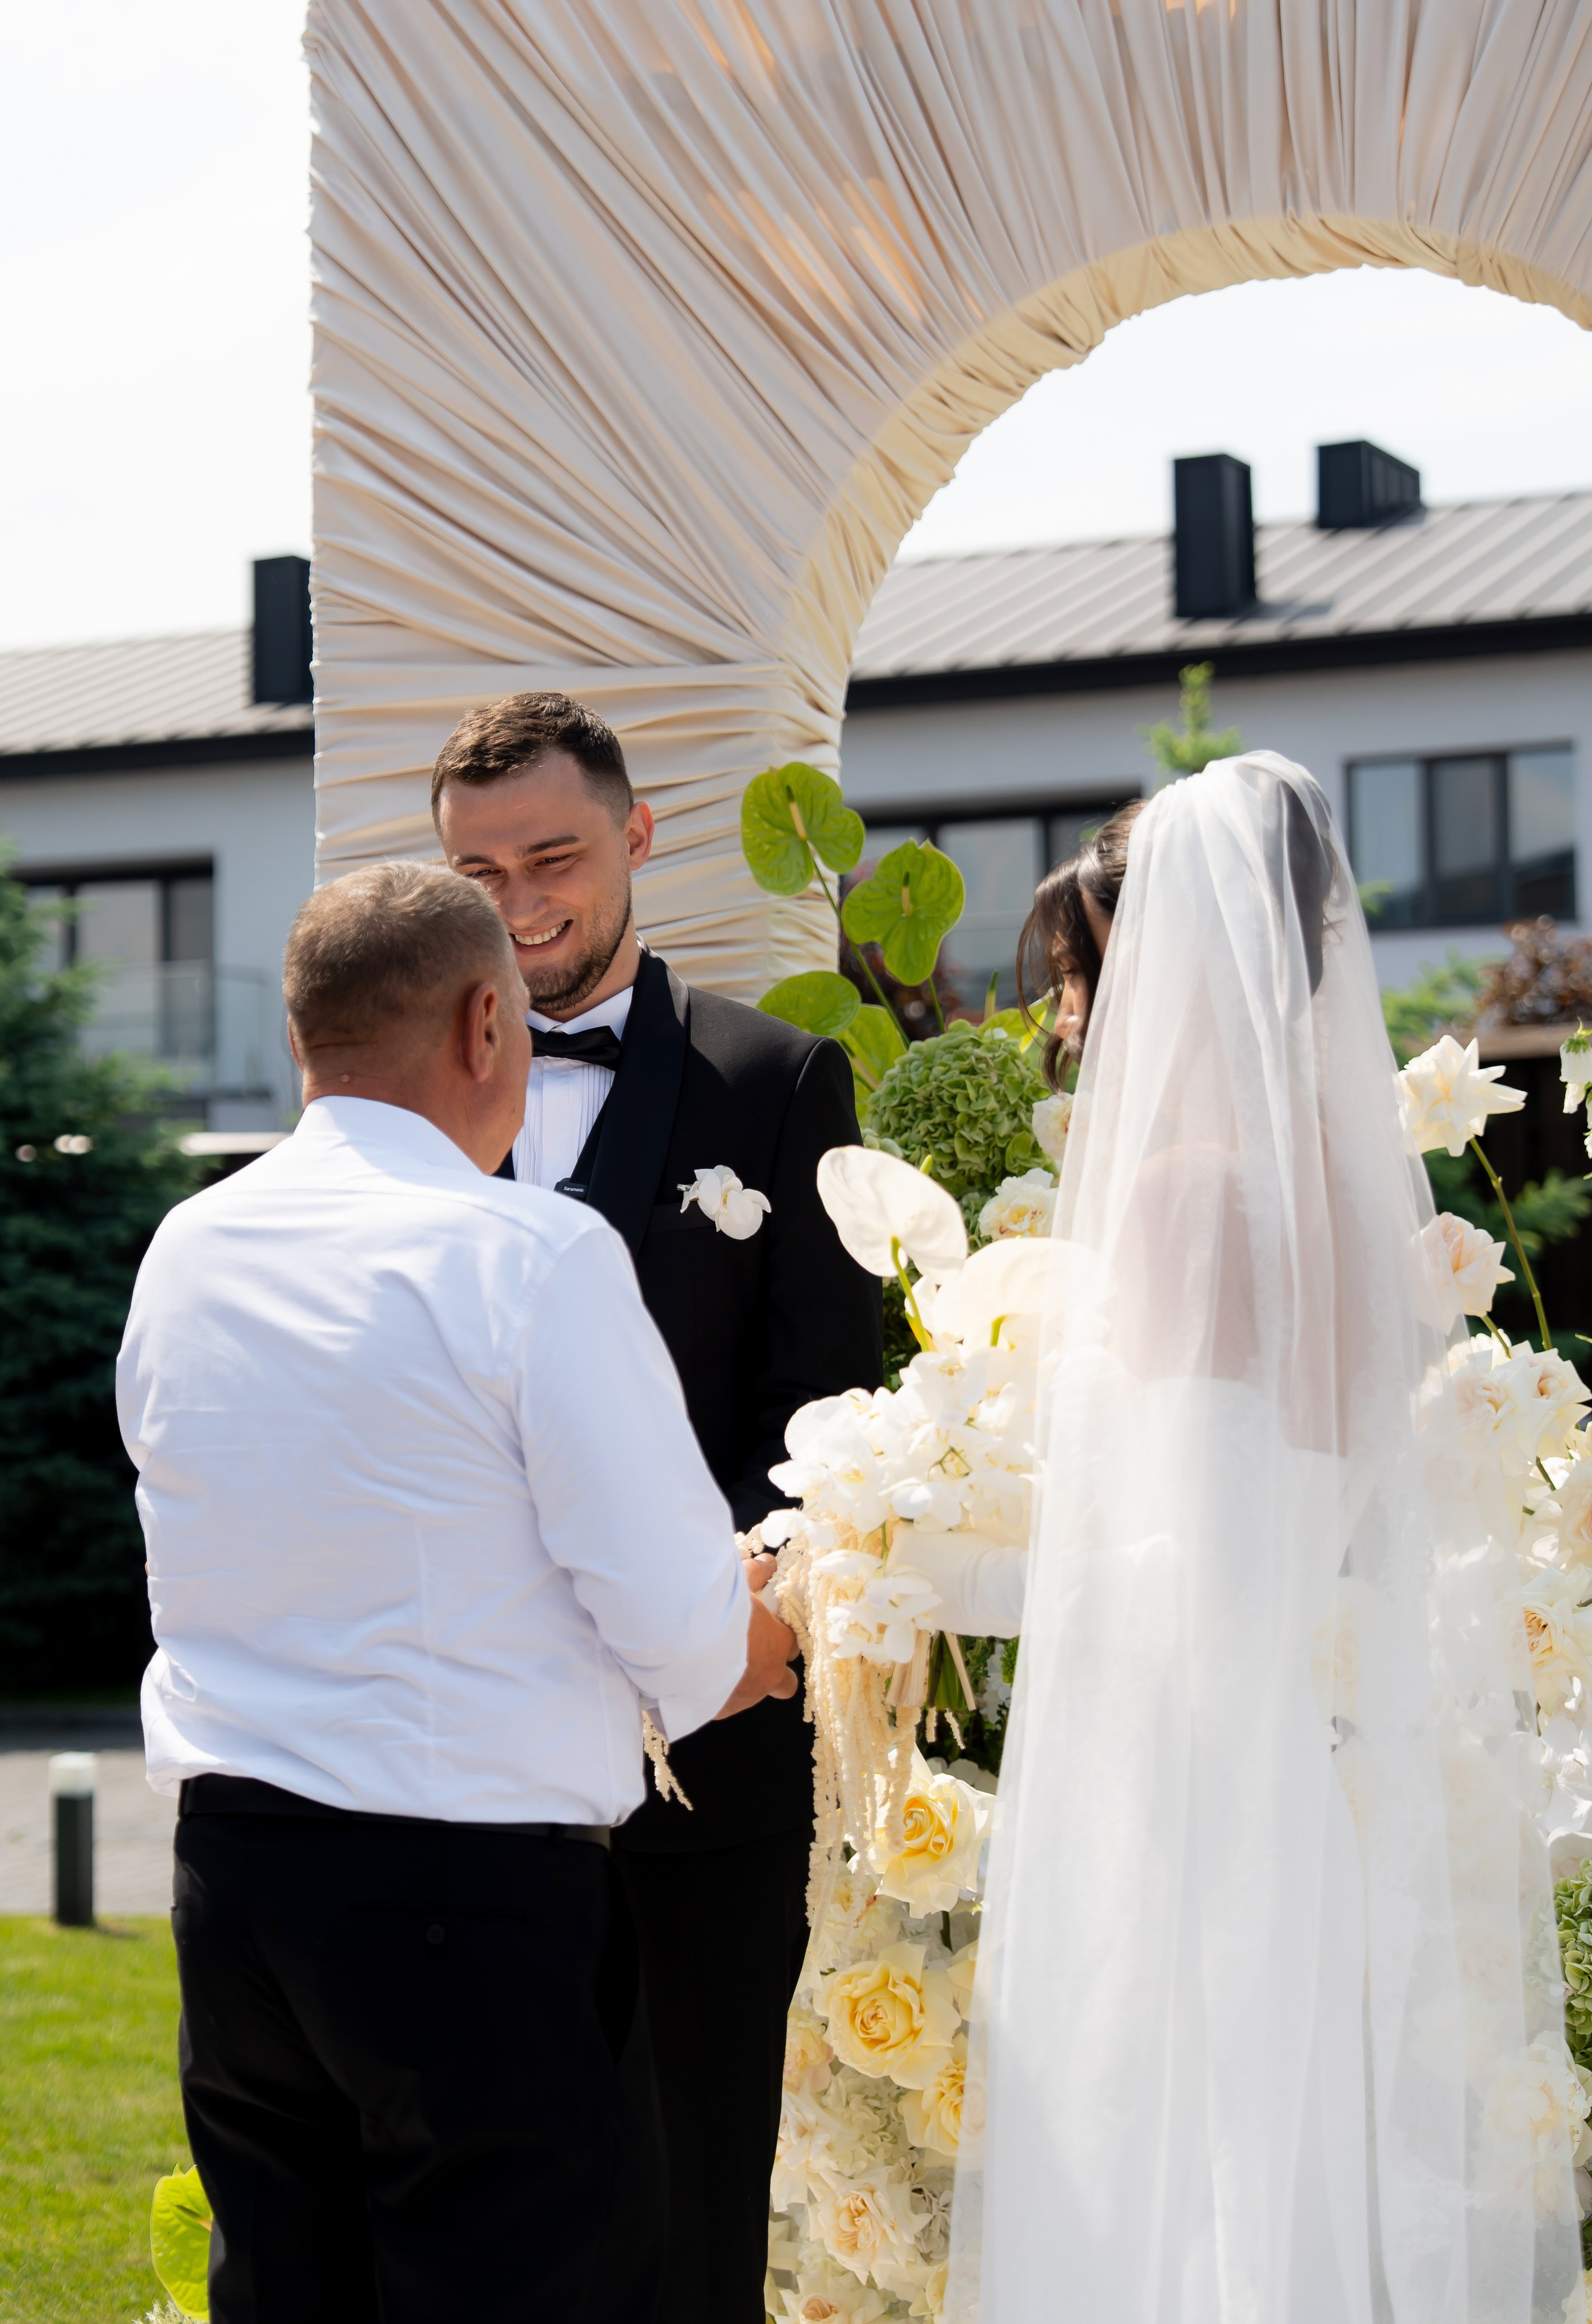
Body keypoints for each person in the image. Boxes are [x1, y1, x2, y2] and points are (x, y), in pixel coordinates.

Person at [907, 759, 1581, 2322]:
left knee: (1169, 2194)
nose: (1067, 1021)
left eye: (1078, 980)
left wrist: (918, 1565)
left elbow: (1181, 1574)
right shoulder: (1343, 1192)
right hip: (1277, 1774)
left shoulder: (1187, 1195)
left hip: (1171, 1786)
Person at [119, 861, 797, 2324]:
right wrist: (778, 1618)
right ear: (489, 1021)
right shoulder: (530, 1252)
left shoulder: (187, 1245)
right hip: (461, 1896)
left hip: (235, 1877)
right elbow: (676, 1620)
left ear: (307, 1038)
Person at [431, 691, 881, 2324]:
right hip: (461, 1759)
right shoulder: (401, 1100)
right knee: (485, 2209)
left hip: (710, 1756)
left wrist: (699, 1637)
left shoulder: (777, 1078)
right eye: (476, 865)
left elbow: (825, 1418)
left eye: (552, 852)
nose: (517, 898)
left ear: (635, 834)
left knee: (694, 2211)